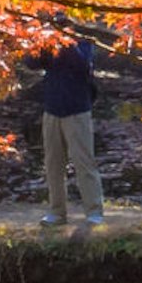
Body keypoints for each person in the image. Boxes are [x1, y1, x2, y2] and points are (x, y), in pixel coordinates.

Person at [30, 37, 108, 226]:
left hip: (77, 110)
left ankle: (94, 212)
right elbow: (31, 63)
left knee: (84, 162)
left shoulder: (84, 42)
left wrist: (66, 41)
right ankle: (57, 213)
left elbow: (82, 65)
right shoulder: (48, 40)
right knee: (53, 164)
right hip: (52, 109)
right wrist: (42, 42)